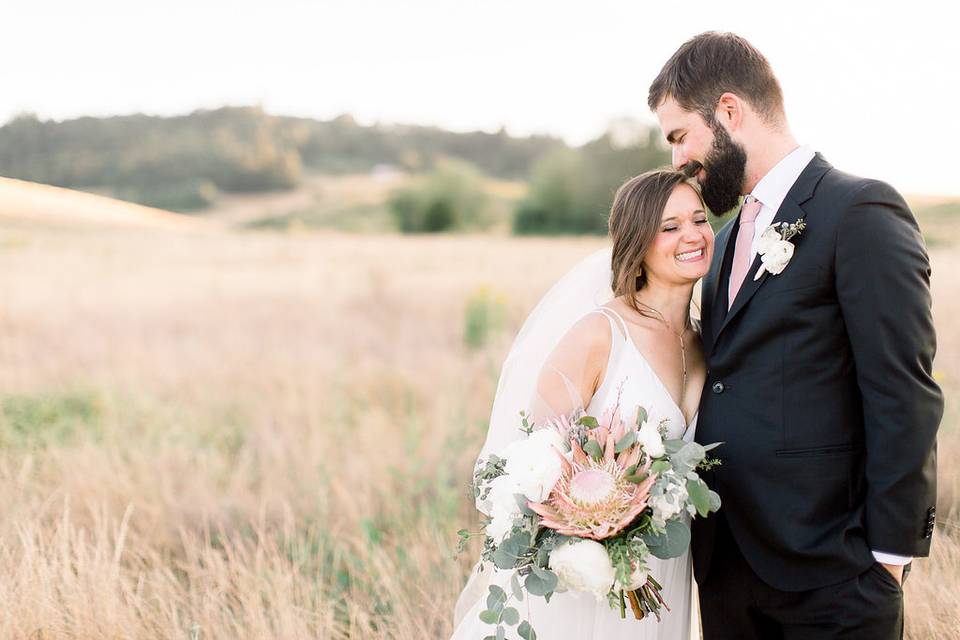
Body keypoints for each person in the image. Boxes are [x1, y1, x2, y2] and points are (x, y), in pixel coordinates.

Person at [647, 31, 943, 639]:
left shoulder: (858, 211)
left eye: (680, 135)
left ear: (729, 111)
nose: (677, 159)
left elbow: (902, 388)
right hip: (728, 569)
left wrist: (888, 559)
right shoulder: (723, 241)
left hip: (833, 575)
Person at [450, 169, 714, 639]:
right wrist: (592, 528)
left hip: (664, 572)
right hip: (584, 576)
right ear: (639, 243)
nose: (692, 235)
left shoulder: (705, 343)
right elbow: (526, 459)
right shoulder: (600, 333)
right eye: (670, 227)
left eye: (699, 220)